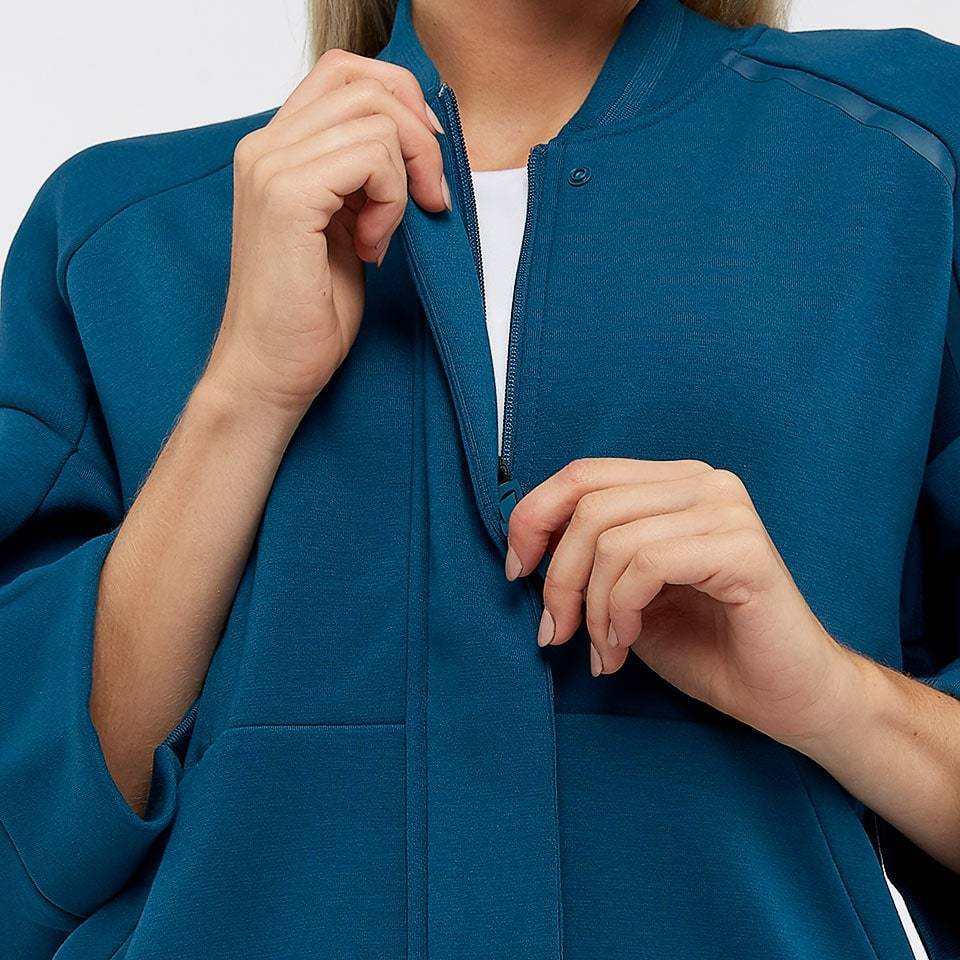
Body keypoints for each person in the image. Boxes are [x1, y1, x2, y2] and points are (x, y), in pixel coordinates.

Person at [2, 0, 960, 957]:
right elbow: (24, 846)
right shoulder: (117, 235)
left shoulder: (900, 159)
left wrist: (837, 699)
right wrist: (243, 392)